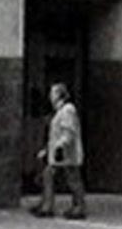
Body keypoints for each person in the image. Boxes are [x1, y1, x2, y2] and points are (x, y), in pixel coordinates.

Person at [30, 82, 86, 219]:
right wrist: (47, 149)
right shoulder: (60, 111)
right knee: (48, 175)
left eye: (53, 93)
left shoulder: (67, 110)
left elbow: (68, 132)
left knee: (72, 179)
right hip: (59, 153)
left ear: (59, 95)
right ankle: (48, 205)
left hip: (66, 153)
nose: (50, 96)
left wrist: (60, 146)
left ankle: (77, 207)